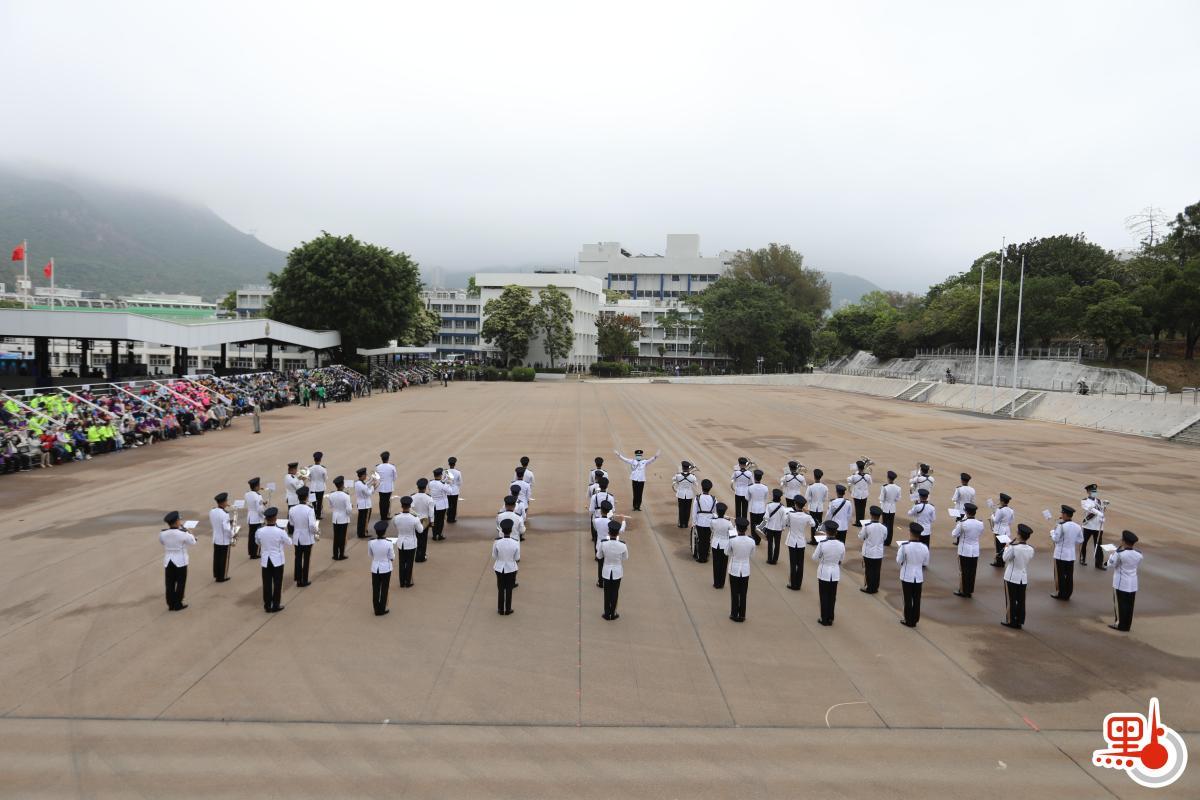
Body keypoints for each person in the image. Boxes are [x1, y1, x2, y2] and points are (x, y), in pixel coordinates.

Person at [255, 507, 291, 613]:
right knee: (277, 582)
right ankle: (276, 604)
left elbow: (258, 542)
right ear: (275, 518)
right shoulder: (280, 531)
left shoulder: (260, 531)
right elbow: (289, 542)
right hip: (277, 560)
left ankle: (267, 605)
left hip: (266, 560)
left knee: (266, 583)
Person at [160, 510, 196, 611]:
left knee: (169, 583)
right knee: (180, 583)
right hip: (181, 561)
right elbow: (193, 542)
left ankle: (170, 604)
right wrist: (189, 532)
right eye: (179, 520)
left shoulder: (163, 533)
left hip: (168, 561)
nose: (180, 521)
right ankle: (178, 604)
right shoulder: (183, 533)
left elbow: (162, 542)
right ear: (176, 522)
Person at [1001, 523, 1035, 629]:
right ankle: (1020, 621)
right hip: (1022, 577)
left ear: (1019, 535)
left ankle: (1011, 621)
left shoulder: (1014, 547)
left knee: (1011, 599)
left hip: (1011, 576)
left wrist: (1007, 547)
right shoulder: (1030, 549)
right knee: (1020, 600)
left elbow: (1005, 558)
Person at [897, 522, 930, 627]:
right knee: (916, 599)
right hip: (918, 576)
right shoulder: (924, 547)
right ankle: (915, 619)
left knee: (907, 599)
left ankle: (908, 619)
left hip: (907, 575)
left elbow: (899, 560)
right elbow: (925, 563)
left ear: (910, 532)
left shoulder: (904, 546)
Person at [813, 519, 845, 626]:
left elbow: (814, 557)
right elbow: (841, 558)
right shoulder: (841, 545)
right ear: (836, 532)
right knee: (832, 596)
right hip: (835, 573)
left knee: (824, 596)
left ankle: (824, 618)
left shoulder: (822, 544)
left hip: (824, 572)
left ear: (826, 531)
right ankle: (830, 617)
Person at [1109, 530, 1142, 632]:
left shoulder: (1120, 554)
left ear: (1124, 541)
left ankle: (1120, 624)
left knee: (1121, 604)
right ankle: (1127, 625)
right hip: (1132, 583)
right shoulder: (1139, 554)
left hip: (1121, 582)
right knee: (1129, 604)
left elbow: (1112, 564)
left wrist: (1112, 555)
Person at [1049, 505, 1083, 601]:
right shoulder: (1077, 526)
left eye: (1062, 513)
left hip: (1060, 554)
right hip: (1071, 554)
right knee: (1069, 575)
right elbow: (1081, 539)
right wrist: (1071, 542)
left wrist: (1052, 532)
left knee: (1059, 575)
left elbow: (1056, 539)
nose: (1061, 515)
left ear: (1065, 514)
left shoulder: (1061, 526)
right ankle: (1068, 593)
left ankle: (1060, 593)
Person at [727, 518, 758, 622]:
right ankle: (742, 615)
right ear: (746, 529)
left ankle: (734, 613)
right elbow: (752, 554)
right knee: (743, 593)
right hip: (745, 569)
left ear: (737, 528)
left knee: (734, 592)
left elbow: (727, 552)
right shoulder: (751, 541)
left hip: (734, 568)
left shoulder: (732, 540)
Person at [951, 502, 984, 598]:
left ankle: (963, 590)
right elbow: (979, 533)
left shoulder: (962, 523)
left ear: (966, 511)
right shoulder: (980, 523)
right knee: (972, 572)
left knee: (963, 571)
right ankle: (969, 590)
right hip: (975, 551)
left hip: (964, 550)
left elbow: (954, 534)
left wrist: (959, 523)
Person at [598, 519, 629, 620]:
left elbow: (599, 556)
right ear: (618, 533)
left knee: (607, 592)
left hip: (606, 571)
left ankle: (607, 613)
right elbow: (625, 558)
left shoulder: (603, 544)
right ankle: (613, 613)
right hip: (617, 572)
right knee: (615, 592)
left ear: (608, 532)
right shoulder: (622, 545)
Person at [289, 486, 318, 586]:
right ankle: (304, 580)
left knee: (297, 558)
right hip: (307, 537)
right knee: (306, 559)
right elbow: (312, 525)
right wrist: (315, 532)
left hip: (297, 537)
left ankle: (298, 579)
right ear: (306, 497)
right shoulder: (309, 509)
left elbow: (291, 523)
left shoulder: (292, 509)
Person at [785, 496, 815, 590]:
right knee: (800, 563)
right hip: (801, 542)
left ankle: (792, 583)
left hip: (792, 541)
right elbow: (813, 524)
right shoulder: (807, 517)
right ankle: (798, 584)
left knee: (793, 564)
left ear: (795, 504)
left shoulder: (790, 514)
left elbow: (786, 523)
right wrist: (807, 513)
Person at [592, 502, 624, 587]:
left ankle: (600, 582)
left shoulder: (596, 520)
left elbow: (595, 529)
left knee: (601, 565)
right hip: (609, 545)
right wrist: (623, 521)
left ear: (601, 510)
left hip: (600, 545)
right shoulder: (611, 523)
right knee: (608, 563)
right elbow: (620, 530)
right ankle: (609, 580)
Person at [391, 496, 421, 588]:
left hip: (401, 543)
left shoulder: (396, 517)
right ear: (410, 506)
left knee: (402, 563)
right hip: (411, 543)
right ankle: (408, 581)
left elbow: (395, 526)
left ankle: (401, 582)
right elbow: (420, 530)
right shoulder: (414, 518)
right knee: (409, 563)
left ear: (401, 505)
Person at [493, 518, 521, 615]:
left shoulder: (497, 542)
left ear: (502, 530)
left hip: (499, 567)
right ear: (511, 530)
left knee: (501, 589)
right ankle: (508, 609)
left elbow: (494, 556)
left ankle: (500, 609)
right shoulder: (515, 542)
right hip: (511, 568)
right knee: (509, 589)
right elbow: (517, 557)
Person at [858, 505, 887, 593]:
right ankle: (875, 587)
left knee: (869, 570)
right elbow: (884, 538)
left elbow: (861, 536)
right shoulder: (884, 527)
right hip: (878, 552)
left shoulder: (867, 526)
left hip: (869, 552)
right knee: (876, 570)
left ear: (871, 514)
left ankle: (869, 587)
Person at [368, 520, 394, 616]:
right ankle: (382, 608)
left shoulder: (371, 542)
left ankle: (376, 609)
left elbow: (370, 554)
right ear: (384, 532)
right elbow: (392, 557)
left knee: (375, 589)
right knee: (384, 588)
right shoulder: (388, 543)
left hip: (375, 568)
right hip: (385, 568)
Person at [1080, 483, 1106, 569]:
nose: (1094, 492)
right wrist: (1099, 513)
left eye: (1095, 491)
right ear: (1088, 492)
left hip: (1098, 527)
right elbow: (1090, 509)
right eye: (1092, 491)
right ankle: (1082, 558)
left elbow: (1102, 512)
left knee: (1098, 545)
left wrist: (1102, 518)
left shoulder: (1099, 501)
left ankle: (1099, 563)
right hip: (1088, 526)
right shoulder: (1084, 501)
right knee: (1084, 543)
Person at [209, 492, 233, 582]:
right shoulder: (225, 514)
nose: (227, 502)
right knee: (223, 559)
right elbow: (226, 528)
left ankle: (217, 575)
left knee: (217, 558)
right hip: (223, 539)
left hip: (216, 538)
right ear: (223, 502)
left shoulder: (212, 511)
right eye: (226, 501)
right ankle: (222, 576)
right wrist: (232, 534)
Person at [327, 475, 352, 560]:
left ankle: (335, 554)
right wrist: (349, 512)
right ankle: (341, 554)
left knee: (336, 537)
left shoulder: (331, 495)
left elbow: (331, 506)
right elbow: (349, 510)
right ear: (342, 485)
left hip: (335, 518)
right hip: (343, 518)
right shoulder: (346, 496)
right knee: (342, 537)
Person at [761, 488, 788, 565]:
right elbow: (784, 519)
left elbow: (766, 517)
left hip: (770, 527)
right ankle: (775, 560)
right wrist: (783, 527)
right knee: (777, 544)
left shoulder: (769, 505)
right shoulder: (783, 508)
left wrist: (763, 525)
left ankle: (769, 559)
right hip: (778, 529)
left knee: (770, 544)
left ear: (773, 496)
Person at [710, 502, 733, 589]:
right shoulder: (728, 522)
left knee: (716, 564)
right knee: (723, 565)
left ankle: (716, 583)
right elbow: (731, 532)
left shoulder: (713, 521)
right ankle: (721, 583)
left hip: (715, 543)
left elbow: (711, 529)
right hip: (725, 545)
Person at [692, 479, 716, 563]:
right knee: (707, 540)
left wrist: (694, 522)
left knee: (700, 540)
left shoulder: (698, 498)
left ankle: (701, 557)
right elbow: (714, 512)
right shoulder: (714, 499)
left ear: (702, 487)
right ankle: (706, 556)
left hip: (700, 521)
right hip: (709, 522)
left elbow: (694, 511)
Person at [411, 478, 435, 562]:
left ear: (418, 487)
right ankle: (422, 555)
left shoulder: (413, 497)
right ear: (425, 488)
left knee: (415, 538)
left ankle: (416, 554)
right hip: (425, 521)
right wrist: (432, 522)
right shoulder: (429, 498)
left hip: (415, 520)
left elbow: (411, 509)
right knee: (423, 539)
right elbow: (431, 511)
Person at [908, 488, 936, 559]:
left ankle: (916, 559)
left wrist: (914, 506)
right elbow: (933, 519)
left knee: (917, 546)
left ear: (920, 497)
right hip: (927, 530)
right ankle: (924, 561)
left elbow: (910, 514)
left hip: (918, 530)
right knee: (925, 547)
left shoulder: (917, 506)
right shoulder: (931, 507)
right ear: (927, 497)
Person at [989, 493, 1014, 567]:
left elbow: (996, 520)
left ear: (1002, 501)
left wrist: (992, 516)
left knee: (999, 547)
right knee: (1004, 547)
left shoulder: (1000, 510)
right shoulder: (1011, 510)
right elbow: (1011, 522)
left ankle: (999, 563)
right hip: (1007, 530)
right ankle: (1002, 562)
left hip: (999, 531)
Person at [671, 462, 698, 529]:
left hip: (680, 494)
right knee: (687, 509)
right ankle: (686, 524)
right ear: (688, 469)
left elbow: (673, 479)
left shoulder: (678, 476)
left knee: (681, 509)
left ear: (682, 468)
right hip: (689, 495)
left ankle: (681, 523)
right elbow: (696, 484)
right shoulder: (693, 477)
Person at [878, 470, 902, 546]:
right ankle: (889, 541)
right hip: (892, 508)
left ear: (888, 478)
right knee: (890, 525)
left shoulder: (884, 487)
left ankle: (884, 539)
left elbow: (882, 498)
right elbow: (898, 498)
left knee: (884, 524)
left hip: (885, 507)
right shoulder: (898, 488)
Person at [847, 461, 872, 527]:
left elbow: (849, 480)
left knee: (858, 509)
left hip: (857, 494)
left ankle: (858, 522)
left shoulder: (855, 476)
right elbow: (870, 483)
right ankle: (862, 521)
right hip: (864, 494)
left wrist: (853, 474)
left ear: (858, 468)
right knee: (863, 508)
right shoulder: (867, 476)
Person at [245, 477, 265, 559]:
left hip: (250, 517)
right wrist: (264, 516)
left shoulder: (247, 494)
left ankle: (251, 552)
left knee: (251, 536)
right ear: (256, 486)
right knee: (257, 536)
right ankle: (255, 553)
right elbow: (259, 509)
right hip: (256, 518)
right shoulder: (258, 496)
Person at [375, 452, 397, 520]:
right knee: (387, 501)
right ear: (388, 458)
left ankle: (382, 516)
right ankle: (386, 515)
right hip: (388, 487)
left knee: (381, 501)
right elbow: (395, 477)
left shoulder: (378, 467)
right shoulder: (392, 467)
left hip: (381, 487)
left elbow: (376, 477)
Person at [429, 467, 450, 541]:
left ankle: (434, 535)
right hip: (441, 505)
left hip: (433, 504)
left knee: (434, 520)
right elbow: (449, 491)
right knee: (441, 521)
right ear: (440, 475)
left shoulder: (430, 483)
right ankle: (439, 534)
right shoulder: (443, 484)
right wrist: (447, 483)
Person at [354, 467, 374, 538]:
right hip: (366, 505)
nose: (366, 476)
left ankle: (360, 532)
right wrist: (372, 487)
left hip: (360, 504)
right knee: (365, 520)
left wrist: (370, 481)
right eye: (365, 475)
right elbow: (369, 493)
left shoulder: (357, 483)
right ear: (362, 476)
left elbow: (365, 485)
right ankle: (364, 533)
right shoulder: (362, 485)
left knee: (360, 520)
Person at [283, 462, 304, 534]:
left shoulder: (288, 476)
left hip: (291, 498)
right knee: (292, 515)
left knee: (291, 514)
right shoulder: (291, 478)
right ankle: (291, 530)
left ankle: (291, 529)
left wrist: (298, 479)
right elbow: (299, 487)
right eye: (295, 469)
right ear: (292, 469)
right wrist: (302, 480)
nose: (296, 471)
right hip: (293, 499)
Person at [308, 452, 328, 520]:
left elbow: (309, 478)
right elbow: (325, 478)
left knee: (313, 502)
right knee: (319, 502)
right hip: (320, 487)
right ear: (320, 460)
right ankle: (318, 515)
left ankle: (313, 514)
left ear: (314, 460)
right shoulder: (323, 469)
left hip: (312, 487)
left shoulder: (310, 468)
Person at [445, 457, 462, 524]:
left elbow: (444, 481)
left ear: (449, 464)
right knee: (454, 505)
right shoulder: (458, 472)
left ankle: (448, 518)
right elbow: (460, 482)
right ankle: (452, 518)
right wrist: (455, 485)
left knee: (448, 504)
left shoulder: (446, 472)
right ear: (454, 464)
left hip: (448, 491)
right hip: (455, 491)